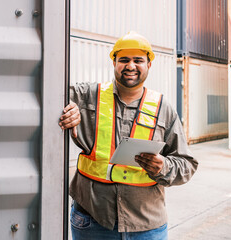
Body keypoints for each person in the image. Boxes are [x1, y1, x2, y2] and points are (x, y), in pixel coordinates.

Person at [59, 31, 198, 240]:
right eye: (124, 59)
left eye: (138, 60)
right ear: (114, 62)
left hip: (146, 225)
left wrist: (164, 167)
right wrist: (69, 109)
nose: (131, 66)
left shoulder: (163, 108)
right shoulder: (87, 95)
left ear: (148, 65)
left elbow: (187, 164)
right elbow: (50, 92)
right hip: (93, 221)